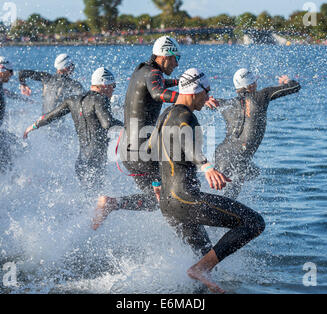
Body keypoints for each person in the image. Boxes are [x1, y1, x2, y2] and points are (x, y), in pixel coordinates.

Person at [152, 68, 265, 293]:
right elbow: (187, 142)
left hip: (167, 203)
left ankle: (196, 283)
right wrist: (206, 165)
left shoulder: (167, 114)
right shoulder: (185, 116)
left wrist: (157, 185)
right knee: (254, 223)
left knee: (205, 255)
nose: (208, 97)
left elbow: (151, 149)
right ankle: (200, 270)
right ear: (196, 90)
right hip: (185, 199)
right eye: (207, 92)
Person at [92, 36, 219, 229]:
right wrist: (187, 97)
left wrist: (179, 81)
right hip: (144, 151)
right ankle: (194, 235)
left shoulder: (142, 71)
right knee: (175, 195)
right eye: (176, 58)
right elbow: (157, 93)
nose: (177, 63)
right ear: (164, 56)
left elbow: (158, 84)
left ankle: (112, 203)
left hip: (130, 152)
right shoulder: (153, 73)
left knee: (156, 201)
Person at [23, 67, 123, 191]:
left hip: (81, 163)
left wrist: (32, 127)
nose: (113, 90)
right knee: (97, 196)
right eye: (113, 86)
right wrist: (130, 128)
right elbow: (107, 123)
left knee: (87, 196)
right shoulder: (100, 99)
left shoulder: (73, 100)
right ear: (104, 85)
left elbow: (50, 116)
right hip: (95, 162)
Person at [215, 68, 301, 197]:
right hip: (240, 157)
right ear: (251, 85)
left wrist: (206, 99)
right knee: (237, 185)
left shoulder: (225, 103)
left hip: (222, 155)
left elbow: (198, 102)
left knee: (250, 173)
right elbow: (295, 86)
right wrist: (286, 81)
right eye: (255, 81)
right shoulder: (261, 96)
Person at [18, 53, 85, 137]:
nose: (74, 67)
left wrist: (23, 85)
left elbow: (22, 73)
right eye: (72, 65)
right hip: (57, 128)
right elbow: (85, 99)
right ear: (66, 67)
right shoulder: (72, 84)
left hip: (42, 124)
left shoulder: (46, 78)